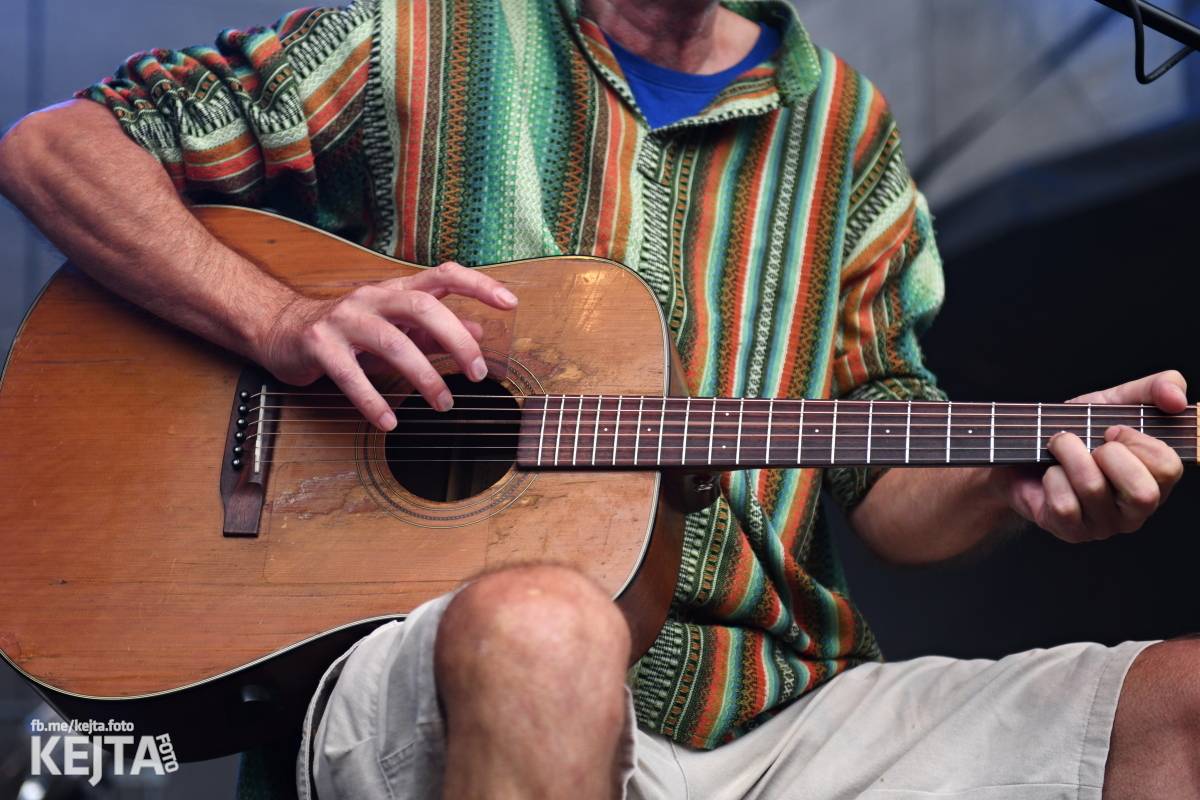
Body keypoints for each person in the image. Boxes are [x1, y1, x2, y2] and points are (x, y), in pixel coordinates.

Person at [0, 1, 1192, 798]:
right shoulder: (416, 35)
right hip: (458, 676)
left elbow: (883, 485)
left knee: (1183, 705)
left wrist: (1015, 476)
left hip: (782, 723)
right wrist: (278, 317)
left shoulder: (847, 128)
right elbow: (59, 148)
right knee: (550, 627)